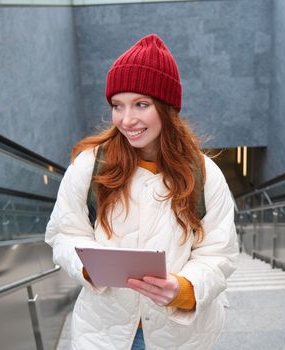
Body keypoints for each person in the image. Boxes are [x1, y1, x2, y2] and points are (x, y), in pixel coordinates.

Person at [45, 33, 238, 350]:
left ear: (166, 108)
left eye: (141, 104)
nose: (127, 119)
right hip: (105, 329)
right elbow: (63, 233)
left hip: (179, 335)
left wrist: (184, 288)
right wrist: (88, 266)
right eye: (117, 106)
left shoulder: (205, 174)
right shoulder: (89, 165)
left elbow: (219, 253)